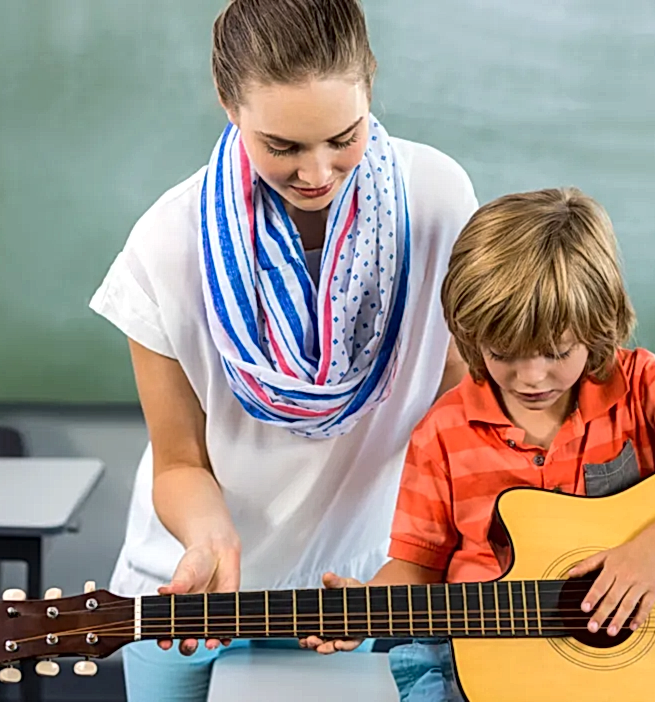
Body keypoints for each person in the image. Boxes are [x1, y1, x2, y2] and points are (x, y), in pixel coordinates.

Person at [88, 0, 479, 698]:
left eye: (343, 136)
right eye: (283, 147)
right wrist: (210, 539)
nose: (318, 173)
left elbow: (452, 411)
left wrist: (419, 562)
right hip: (201, 595)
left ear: (371, 85)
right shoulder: (166, 245)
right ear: (227, 102)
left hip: (362, 588)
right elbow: (180, 461)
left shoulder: (438, 202)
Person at [303, 187, 655, 701]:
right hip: (481, 659)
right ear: (471, 336)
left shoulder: (642, 388)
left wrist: (653, 552)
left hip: (637, 666)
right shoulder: (442, 432)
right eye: (504, 353)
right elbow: (418, 565)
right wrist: (367, 610)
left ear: (596, 326)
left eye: (557, 352)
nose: (532, 377)